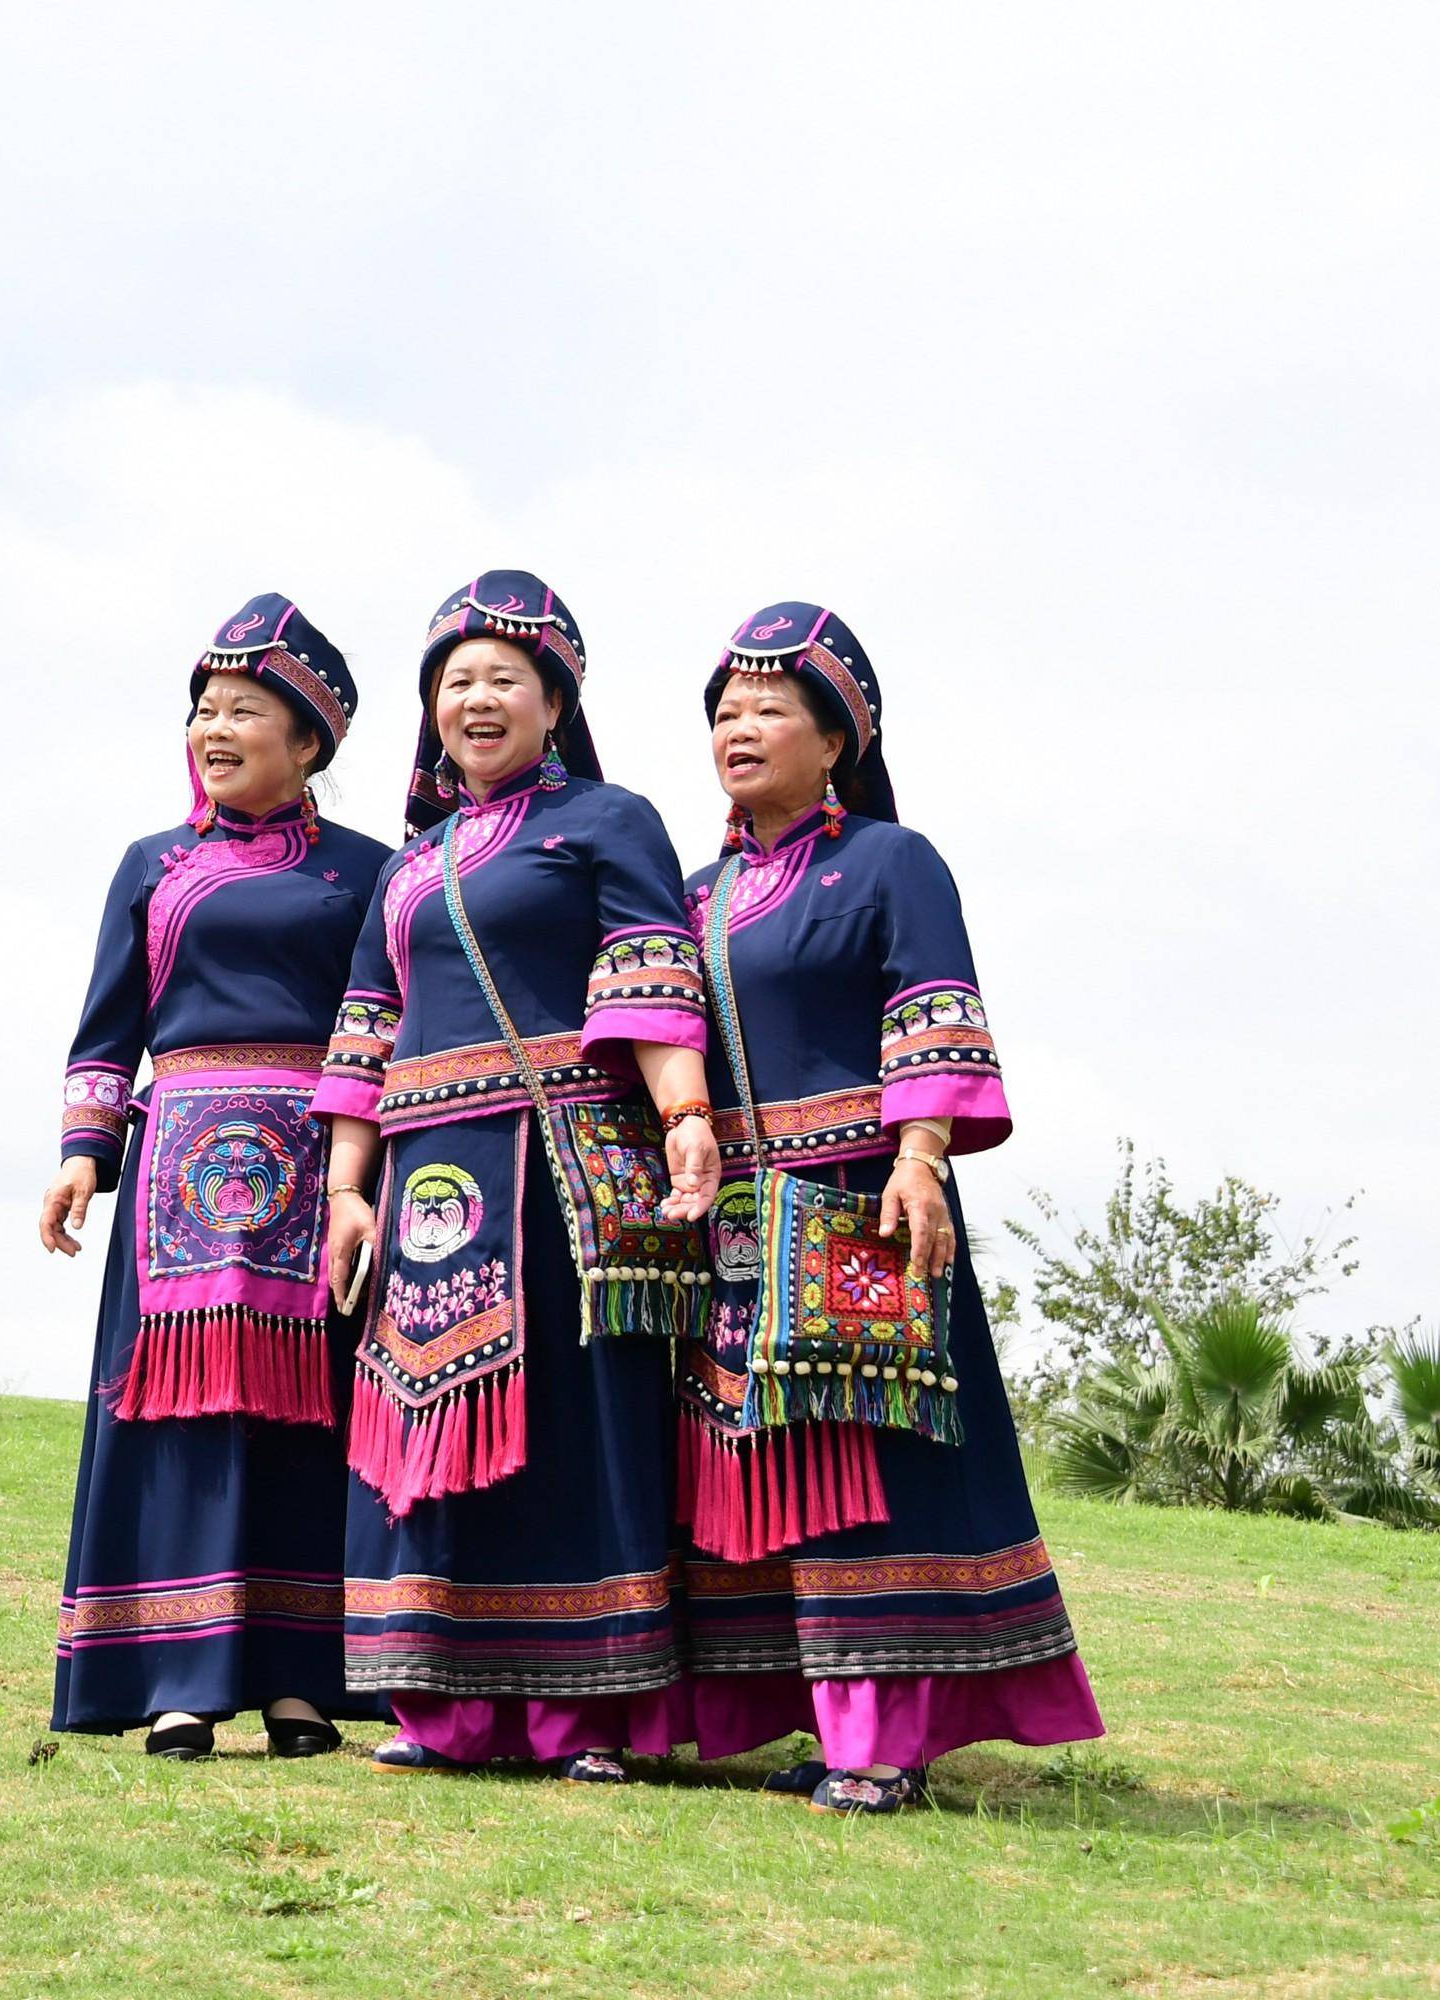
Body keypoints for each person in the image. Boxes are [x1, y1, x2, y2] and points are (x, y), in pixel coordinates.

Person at [676, 603, 1103, 1815]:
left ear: (837, 740)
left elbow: (932, 1007)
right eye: (722, 713)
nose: (737, 730)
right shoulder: (694, 893)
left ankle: (887, 1736)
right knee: (768, 1469)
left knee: (873, 1469)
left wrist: (921, 1156)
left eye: (767, 709)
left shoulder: (891, 863)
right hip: (742, 1223)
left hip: (865, 1200)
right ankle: (821, 1715)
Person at [312, 571, 721, 1783]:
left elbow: (652, 974)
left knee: (570, 1429)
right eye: (454, 681)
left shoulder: (609, 820)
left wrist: (685, 1113)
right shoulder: (409, 865)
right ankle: (445, 1708)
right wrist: (347, 1188)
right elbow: (364, 1028)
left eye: (503, 678)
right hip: (430, 1169)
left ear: (557, 700)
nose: (475, 699)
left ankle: (587, 1712)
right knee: (423, 1421)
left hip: (561, 1168)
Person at [40, 593, 396, 1761]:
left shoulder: (369, 874)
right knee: (179, 1417)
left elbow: (388, 1019)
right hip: (175, 1173)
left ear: (310, 742)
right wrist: (82, 1154)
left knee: (310, 1418)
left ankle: (300, 1678)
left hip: (321, 1165)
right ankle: (179, 1679)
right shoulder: (153, 864)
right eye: (204, 708)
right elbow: (110, 1024)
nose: (215, 727)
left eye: (245, 708)